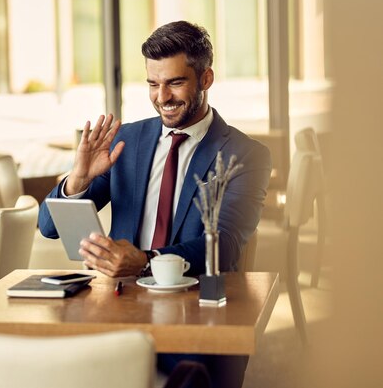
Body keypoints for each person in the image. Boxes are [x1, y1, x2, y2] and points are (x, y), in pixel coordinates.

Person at [38, 20, 272, 388]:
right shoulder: (127, 140)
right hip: (115, 306)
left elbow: (224, 246)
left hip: (195, 310)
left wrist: (146, 260)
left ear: (205, 79)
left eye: (175, 82)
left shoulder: (245, 154)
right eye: (152, 83)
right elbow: (49, 228)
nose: (162, 96)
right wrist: (78, 179)